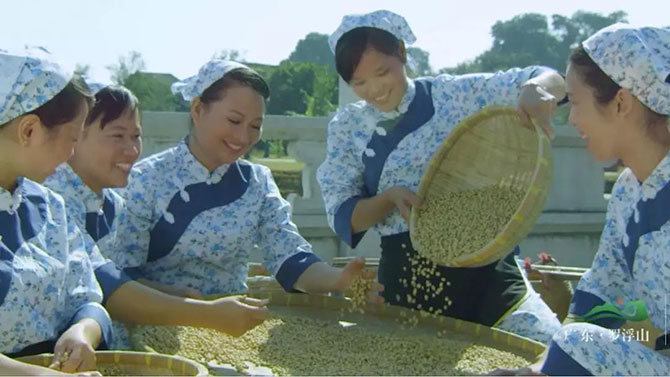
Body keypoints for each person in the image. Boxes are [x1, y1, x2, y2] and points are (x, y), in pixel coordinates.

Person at [317, 10, 565, 343]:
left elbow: (546, 77)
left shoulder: (452, 96)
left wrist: (536, 91)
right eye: (359, 82)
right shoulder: (348, 128)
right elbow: (343, 214)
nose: (374, 89)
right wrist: (389, 198)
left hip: (490, 272)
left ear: (402, 53)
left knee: (555, 352)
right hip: (409, 283)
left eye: (382, 72)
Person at [114, 60, 381, 303]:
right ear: (198, 109)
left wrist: (338, 280)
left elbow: (289, 256)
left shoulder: (256, 182)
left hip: (230, 326)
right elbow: (122, 274)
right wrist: (183, 302)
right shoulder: (144, 180)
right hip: (154, 321)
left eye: (255, 126)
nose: (243, 137)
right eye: (234, 120)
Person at [495, 23, 670, 375]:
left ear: (621, 102)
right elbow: (602, 303)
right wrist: (537, 370)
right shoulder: (627, 191)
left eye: (575, 103)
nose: (571, 119)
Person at [43, 85, 269, 350]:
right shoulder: (52, 199)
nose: (131, 149)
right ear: (75, 135)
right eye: (117, 135)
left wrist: (170, 294)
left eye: (136, 136)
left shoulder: (111, 201)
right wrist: (206, 314)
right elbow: (106, 287)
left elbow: (114, 272)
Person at [0, 47, 108, 375]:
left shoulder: (48, 206)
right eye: (72, 138)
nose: (73, 152)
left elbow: (87, 296)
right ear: (29, 130)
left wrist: (83, 331)